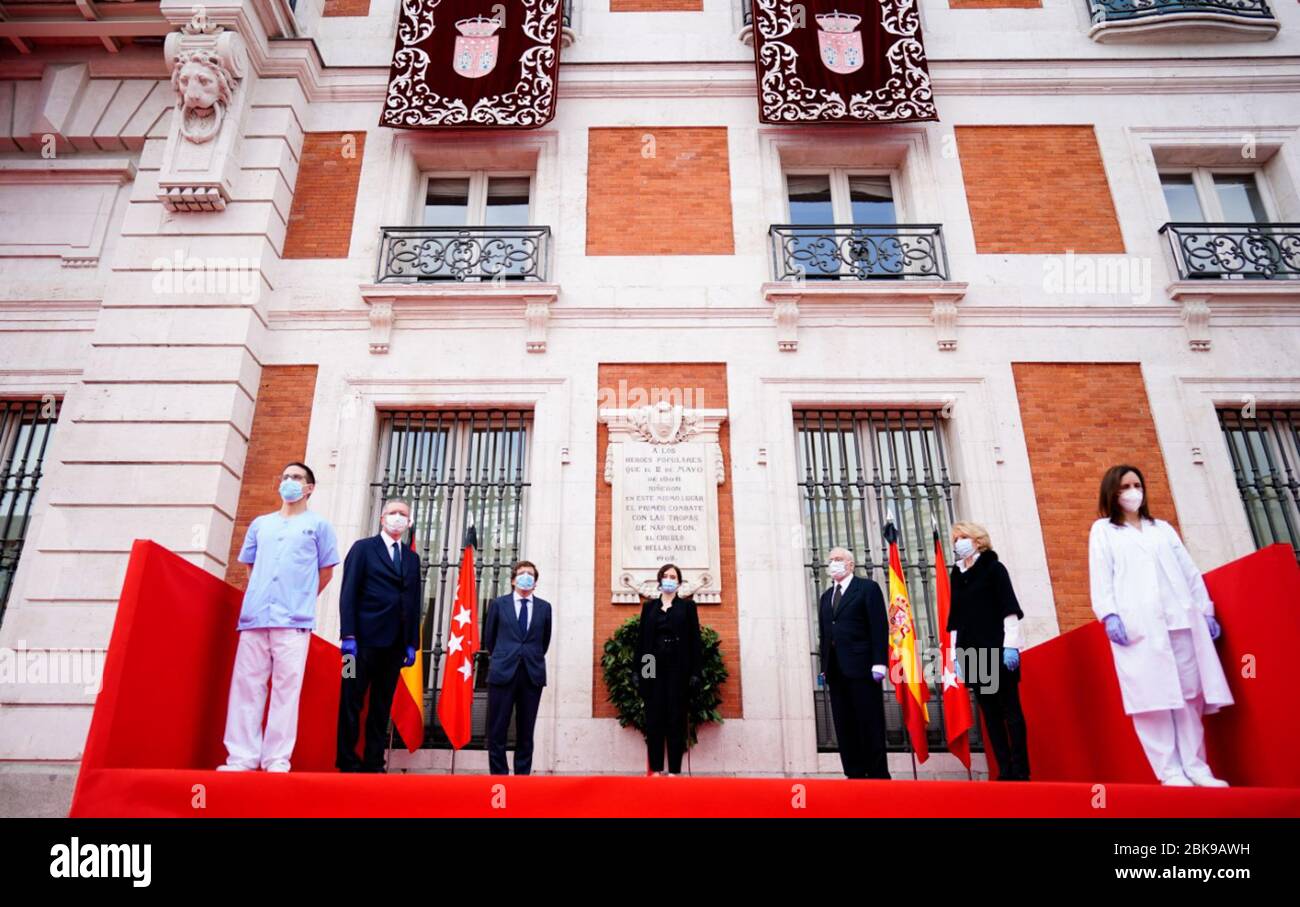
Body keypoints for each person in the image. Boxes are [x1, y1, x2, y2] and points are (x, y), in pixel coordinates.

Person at [1088, 464, 1234, 787]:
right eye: (1125, 486)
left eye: (1136, 484)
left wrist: (1205, 610)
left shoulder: (1162, 530)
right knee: (1151, 700)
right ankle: (1169, 771)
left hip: (1179, 622)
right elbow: (1101, 576)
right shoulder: (1103, 531)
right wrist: (1109, 614)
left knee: (1188, 697)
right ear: (1112, 492)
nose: (1132, 492)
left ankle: (1197, 767)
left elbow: (1189, 571)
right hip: (1138, 628)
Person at [218, 462, 340, 772]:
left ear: (309, 488)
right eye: (285, 477)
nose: (289, 482)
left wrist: (299, 597)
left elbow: (325, 572)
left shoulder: (319, 526)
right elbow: (250, 566)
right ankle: (241, 757)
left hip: (294, 620)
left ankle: (276, 758)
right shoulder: (261, 524)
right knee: (247, 686)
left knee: (286, 690)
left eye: (296, 477)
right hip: (255, 617)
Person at [335, 498, 421, 772]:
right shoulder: (363, 549)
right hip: (358, 645)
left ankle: (373, 761)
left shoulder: (411, 558)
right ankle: (347, 760)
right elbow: (348, 592)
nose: (398, 518)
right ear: (382, 518)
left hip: (394, 646)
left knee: (381, 705)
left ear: (409, 523)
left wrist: (411, 643)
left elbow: (413, 600)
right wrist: (347, 635)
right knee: (350, 699)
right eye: (393, 513)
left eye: (403, 515)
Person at [947, 521, 1030, 781]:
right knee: (990, 715)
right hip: (974, 652)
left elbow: (1009, 609)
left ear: (977, 539)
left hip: (998, 647)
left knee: (1011, 712)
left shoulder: (994, 568)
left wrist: (1010, 646)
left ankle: (1020, 770)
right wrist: (956, 655)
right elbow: (956, 618)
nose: (958, 542)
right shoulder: (957, 574)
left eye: (963, 536)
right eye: (955, 539)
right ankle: (1004, 769)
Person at [818, 547, 890, 779]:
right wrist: (824, 666)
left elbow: (878, 627)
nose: (833, 564)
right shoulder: (826, 596)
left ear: (850, 564)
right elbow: (825, 634)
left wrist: (880, 662)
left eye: (838, 559)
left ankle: (878, 774)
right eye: (831, 560)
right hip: (836, 670)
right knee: (844, 724)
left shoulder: (867, 588)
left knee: (869, 721)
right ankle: (854, 773)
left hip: (862, 668)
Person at [482, 560, 552, 775]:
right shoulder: (498, 604)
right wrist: (506, 657)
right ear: (513, 580)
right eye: (521, 574)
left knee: (526, 730)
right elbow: (489, 640)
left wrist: (529, 657)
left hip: (531, 675)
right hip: (503, 672)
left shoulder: (544, 607)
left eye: (530, 574)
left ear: (535, 582)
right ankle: (499, 776)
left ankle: (522, 777)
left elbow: (544, 641)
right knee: (497, 729)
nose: (526, 577)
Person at [634, 563, 703, 776]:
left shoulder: (687, 608)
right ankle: (655, 769)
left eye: (673, 576)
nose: (669, 579)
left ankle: (674, 770)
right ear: (660, 580)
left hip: (678, 667)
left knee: (676, 718)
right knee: (654, 718)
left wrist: (694, 672)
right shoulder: (649, 608)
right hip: (653, 665)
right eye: (665, 576)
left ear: (679, 582)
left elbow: (695, 641)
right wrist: (641, 673)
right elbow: (643, 641)